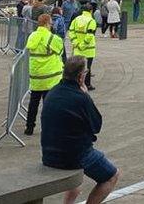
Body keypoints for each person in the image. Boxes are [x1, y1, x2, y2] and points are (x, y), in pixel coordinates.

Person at [40, 56, 119, 204]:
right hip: (75, 156)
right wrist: (87, 96)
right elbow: (97, 125)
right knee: (112, 176)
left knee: (76, 184)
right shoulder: (81, 98)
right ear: (81, 76)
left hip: (49, 154)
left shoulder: (52, 92)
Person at [25, 13, 64, 135]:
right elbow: (60, 50)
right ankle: (47, 128)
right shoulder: (52, 38)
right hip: (50, 76)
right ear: (47, 23)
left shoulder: (32, 36)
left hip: (36, 75)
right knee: (48, 104)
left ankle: (29, 127)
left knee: (33, 102)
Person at [69, 1, 97, 91]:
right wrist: (83, 45)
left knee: (77, 67)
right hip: (88, 49)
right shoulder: (91, 21)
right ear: (91, 11)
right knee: (87, 68)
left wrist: (75, 42)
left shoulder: (76, 19)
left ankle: (76, 84)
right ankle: (87, 84)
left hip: (77, 48)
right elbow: (90, 35)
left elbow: (71, 31)